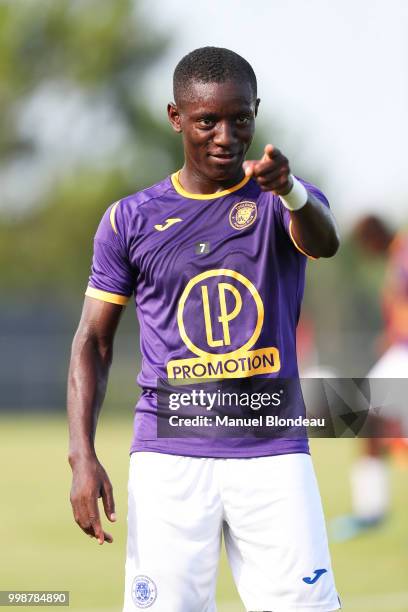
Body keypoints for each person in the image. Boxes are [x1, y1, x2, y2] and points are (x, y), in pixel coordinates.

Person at [67, 46, 341, 611]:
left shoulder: (280, 199)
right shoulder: (130, 220)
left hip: (272, 453)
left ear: (255, 112)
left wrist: (289, 190)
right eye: (206, 121)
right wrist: (82, 455)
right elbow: (93, 341)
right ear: (176, 118)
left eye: (240, 118)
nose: (225, 136)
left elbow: (326, 241)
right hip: (168, 460)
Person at [330, 215, 408, 541]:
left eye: (363, 245)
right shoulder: (396, 255)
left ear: (372, 237)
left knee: (369, 416)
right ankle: (370, 510)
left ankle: (370, 510)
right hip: (399, 350)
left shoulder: (403, 252)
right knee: (369, 420)